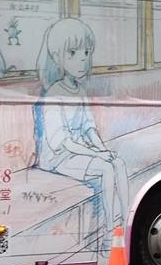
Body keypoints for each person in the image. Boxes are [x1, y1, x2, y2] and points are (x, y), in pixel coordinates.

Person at [34, 17, 129, 244]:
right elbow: (62, 142)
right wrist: (98, 155)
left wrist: (104, 150)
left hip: (79, 151)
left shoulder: (80, 90)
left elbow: (89, 128)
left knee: (118, 162)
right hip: (57, 158)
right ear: (57, 57)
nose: (82, 60)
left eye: (86, 53)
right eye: (73, 53)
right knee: (106, 168)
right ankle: (109, 231)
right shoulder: (54, 93)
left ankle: (126, 222)